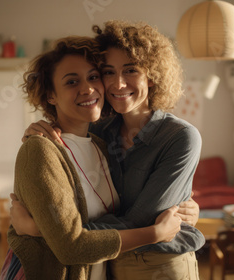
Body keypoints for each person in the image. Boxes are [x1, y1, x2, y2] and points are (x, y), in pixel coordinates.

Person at [14, 20, 204, 279]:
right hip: (106, 264)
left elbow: (139, 219)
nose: (118, 84)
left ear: (152, 75)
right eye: (107, 72)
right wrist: (57, 232)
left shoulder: (180, 137)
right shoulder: (99, 133)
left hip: (159, 264)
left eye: (130, 70)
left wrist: (43, 230)